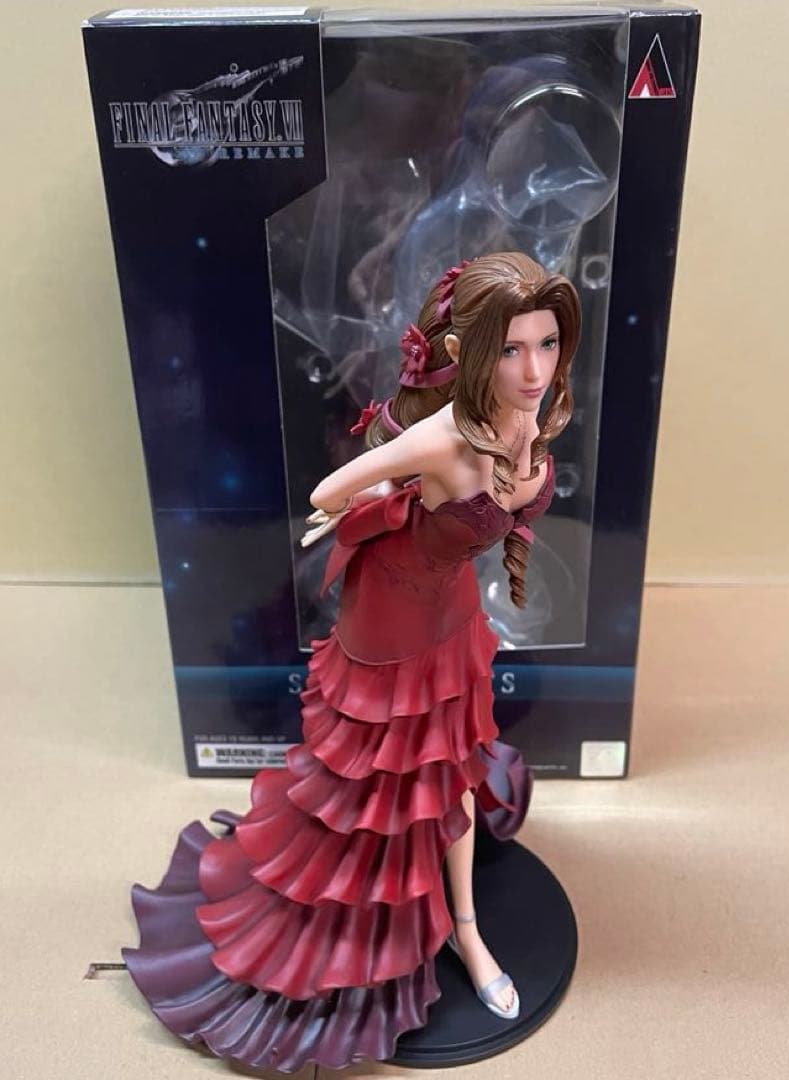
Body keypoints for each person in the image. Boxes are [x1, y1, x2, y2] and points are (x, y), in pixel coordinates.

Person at [123, 251, 580, 1073]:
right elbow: (327, 490)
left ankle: (466, 928)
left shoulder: (531, 418)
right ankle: (384, 921)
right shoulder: (443, 437)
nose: (534, 369)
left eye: (546, 344)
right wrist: (381, 502)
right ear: (470, 352)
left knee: (452, 770)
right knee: (375, 787)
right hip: (392, 622)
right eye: (512, 349)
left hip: (453, 616)